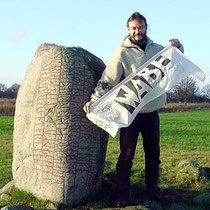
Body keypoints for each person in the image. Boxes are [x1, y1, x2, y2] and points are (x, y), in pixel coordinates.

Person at [83, 12, 184, 207]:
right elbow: (108, 80)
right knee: (127, 155)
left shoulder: (156, 49)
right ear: (128, 29)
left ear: (146, 27)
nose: (138, 31)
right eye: (134, 28)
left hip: (152, 111)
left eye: (141, 27)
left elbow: (175, 61)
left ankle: (153, 191)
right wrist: (94, 100)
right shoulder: (121, 53)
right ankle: (122, 195)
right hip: (131, 113)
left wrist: (178, 47)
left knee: (153, 154)